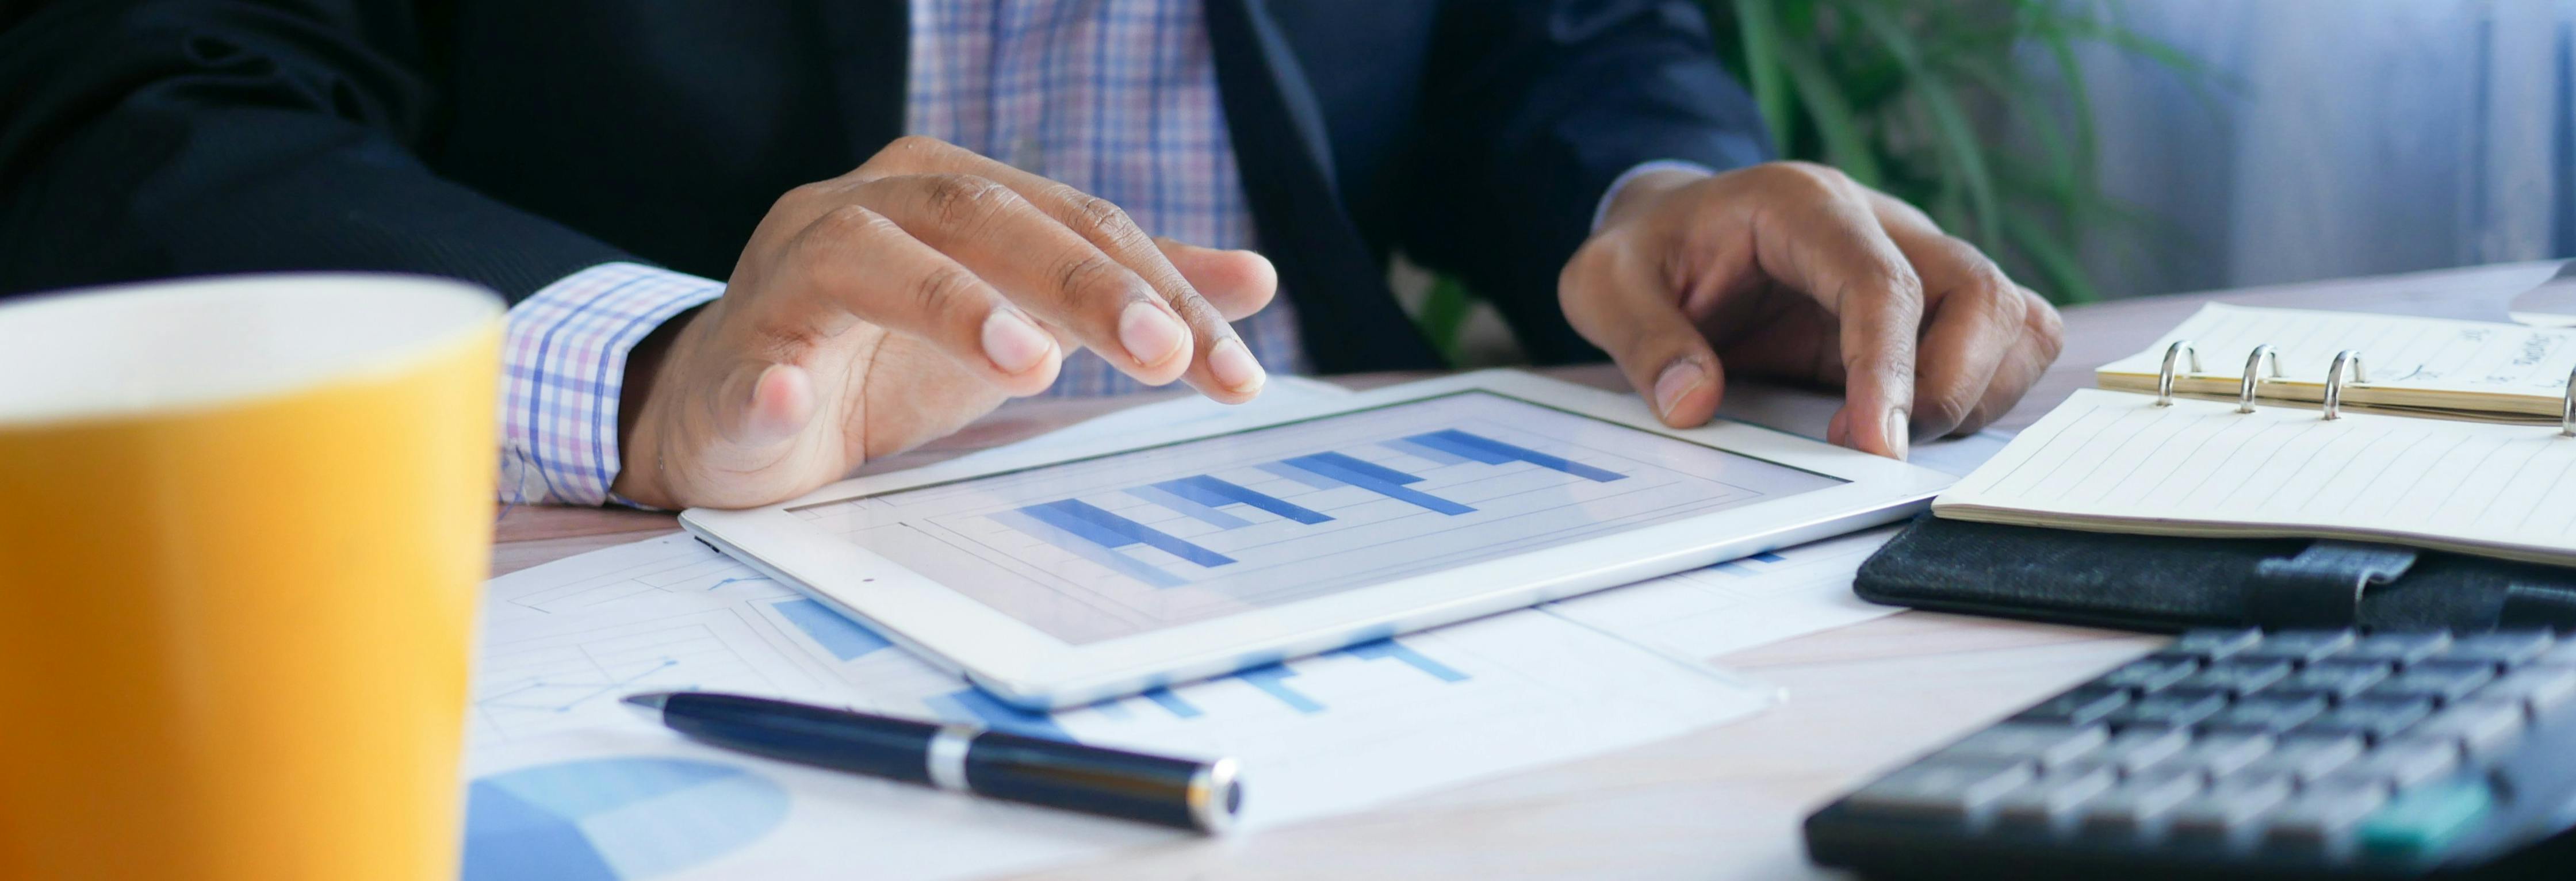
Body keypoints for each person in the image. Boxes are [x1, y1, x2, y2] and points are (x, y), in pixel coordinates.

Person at [0, 0, 2062, 510]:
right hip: (663, 573)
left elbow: (1557, 36)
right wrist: (660, 370)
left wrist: (1659, 198)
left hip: (1332, 540)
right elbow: (147, 107)